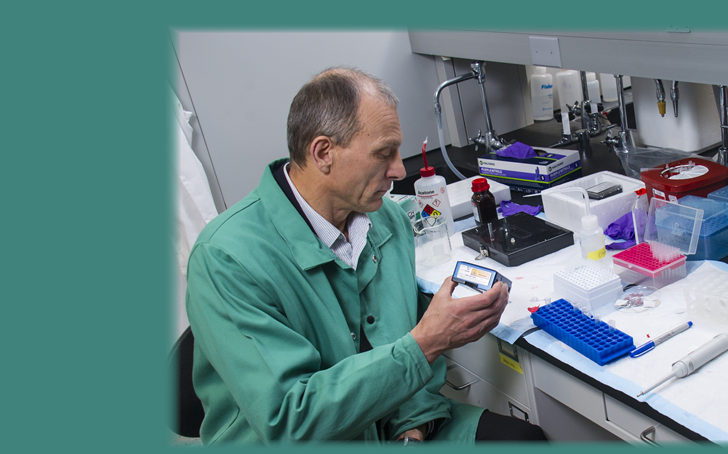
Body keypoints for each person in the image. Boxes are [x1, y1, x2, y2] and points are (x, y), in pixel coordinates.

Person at [185, 67, 547, 444]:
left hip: (393, 424)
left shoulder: (385, 218)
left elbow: (398, 339)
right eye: (383, 153)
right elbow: (289, 423)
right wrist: (426, 343)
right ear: (323, 152)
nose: (398, 169)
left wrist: (414, 430)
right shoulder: (227, 258)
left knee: (523, 440)